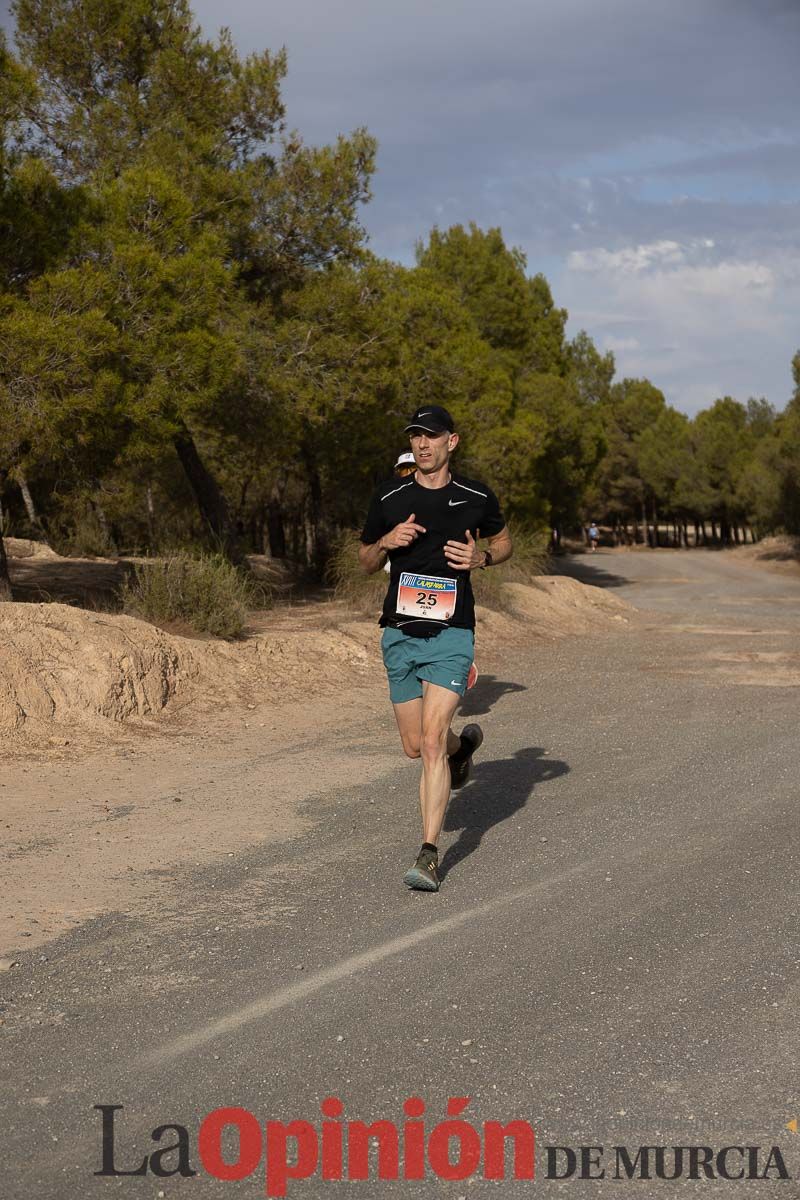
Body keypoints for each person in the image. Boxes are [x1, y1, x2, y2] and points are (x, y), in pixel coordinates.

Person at [359, 405, 512, 891]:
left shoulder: (474, 496)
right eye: (416, 436)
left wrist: (481, 558)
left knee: (428, 742)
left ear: (453, 441)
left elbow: (505, 541)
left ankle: (428, 854)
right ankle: (461, 748)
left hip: (451, 634)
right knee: (415, 746)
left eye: (432, 436)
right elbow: (364, 560)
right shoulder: (388, 496)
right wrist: (386, 540)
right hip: (400, 633)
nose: (423, 444)